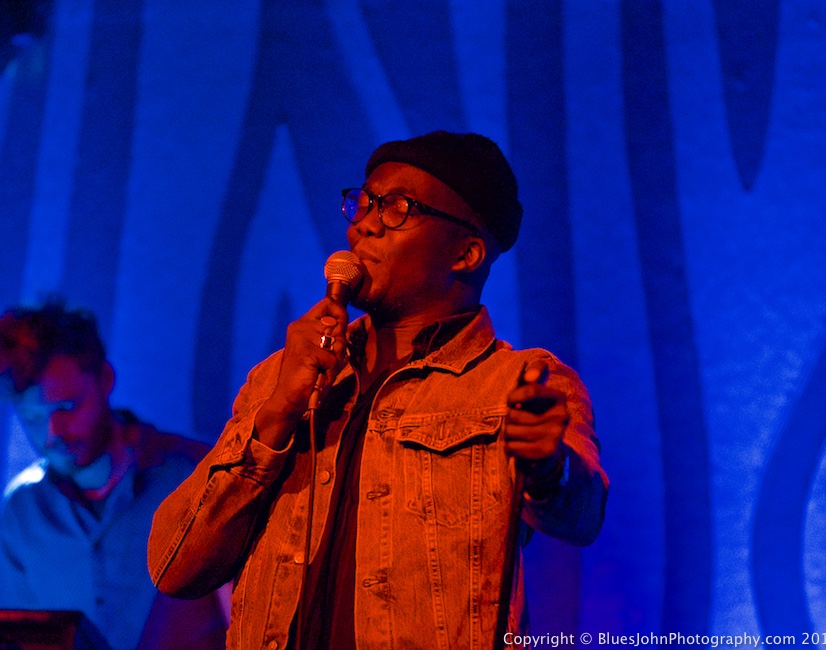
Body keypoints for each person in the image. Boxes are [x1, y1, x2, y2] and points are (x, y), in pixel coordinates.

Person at [148, 131, 609, 649]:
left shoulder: (518, 383)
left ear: (465, 254)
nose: (363, 225)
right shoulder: (283, 377)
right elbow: (175, 567)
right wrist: (277, 413)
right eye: (364, 203)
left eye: (397, 208)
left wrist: (549, 467)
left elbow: (582, 515)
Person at [0, 300, 228, 649]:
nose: (52, 433)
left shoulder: (199, 474)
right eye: (33, 418)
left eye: (67, 407)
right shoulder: (21, 511)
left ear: (105, 379)